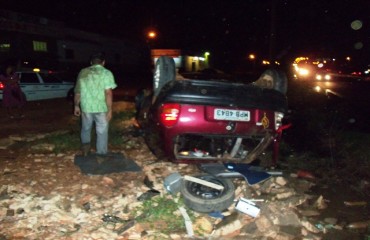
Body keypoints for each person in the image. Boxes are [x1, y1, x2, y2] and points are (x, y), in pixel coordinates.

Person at [73, 52, 117, 157]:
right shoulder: (106, 73)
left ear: (91, 62)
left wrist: (76, 105)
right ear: (103, 62)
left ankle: (85, 150)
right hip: (101, 107)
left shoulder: (83, 72)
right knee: (102, 131)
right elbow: (108, 93)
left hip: (86, 107)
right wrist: (110, 109)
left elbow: (78, 92)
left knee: (86, 128)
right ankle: (101, 153)